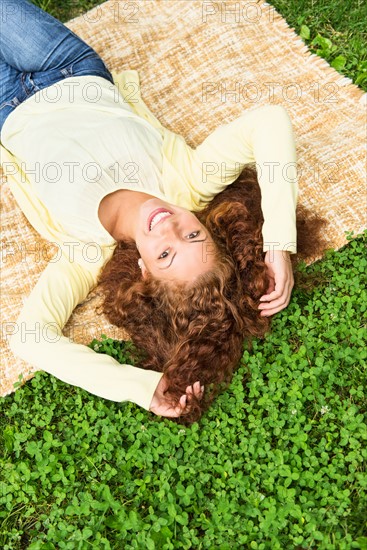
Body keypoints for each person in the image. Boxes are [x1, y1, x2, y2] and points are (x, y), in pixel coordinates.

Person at [1, 0, 299, 423]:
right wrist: (279, 244)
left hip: (6, 110)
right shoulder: (189, 181)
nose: (171, 229)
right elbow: (269, 121)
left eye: (165, 255)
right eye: (193, 235)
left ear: (143, 272)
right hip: (68, 68)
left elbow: (32, 340)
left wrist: (139, 387)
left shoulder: (86, 252)